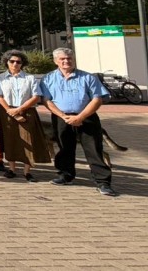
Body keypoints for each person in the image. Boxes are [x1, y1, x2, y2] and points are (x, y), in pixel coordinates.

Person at [38, 47, 117, 196]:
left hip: (86, 118)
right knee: (64, 148)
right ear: (56, 61)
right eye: (62, 59)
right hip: (61, 118)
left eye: (69, 58)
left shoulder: (88, 77)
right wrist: (62, 115)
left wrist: (80, 117)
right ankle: (65, 175)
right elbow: (46, 100)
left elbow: (97, 99)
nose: (66, 61)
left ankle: (103, 182)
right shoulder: (48, 79)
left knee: (93, 149)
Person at [0, 50, 53, 182]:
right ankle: (11, 169)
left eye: (18, 62)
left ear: (22, 63)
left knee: (28, 139)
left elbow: (36, 96)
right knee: (10, 140)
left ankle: (27, 171)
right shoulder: (0, 78)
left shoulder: (29, 78)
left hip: (27, 112)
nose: (15, 64)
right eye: (12, 61)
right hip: (7, 112)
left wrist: (20, 109)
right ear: (6, 62)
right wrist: (10, 110)